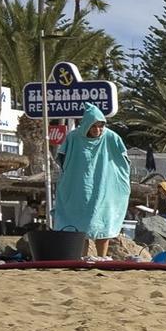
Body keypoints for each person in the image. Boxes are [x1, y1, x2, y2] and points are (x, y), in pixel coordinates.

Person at [51, 103, 131, 259]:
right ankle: (82, 257)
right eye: (93, 126)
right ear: (86, 124)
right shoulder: (73, 137)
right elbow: (62, 158)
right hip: (78, 188)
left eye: (101, 126)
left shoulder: (111, 137)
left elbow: (123, 160)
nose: (97, 130)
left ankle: (102, 257)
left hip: (104, 188)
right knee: (79, 227)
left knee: (102, 224)